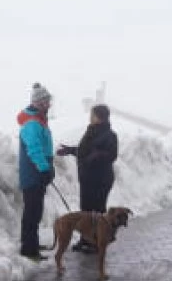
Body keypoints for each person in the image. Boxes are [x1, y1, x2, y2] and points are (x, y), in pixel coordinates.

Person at [57, 104, 119, 254]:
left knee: (96, 212)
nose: (90, 117)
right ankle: (86, 239)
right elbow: (84, 151)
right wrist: (70, 150)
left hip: (100, 180)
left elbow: (112, 155)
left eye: (92, 114)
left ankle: (97, 241)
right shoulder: (91, 131)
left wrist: (97, 155)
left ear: (99, 117)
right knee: (85, 211)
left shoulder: (110, 135)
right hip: (87, 180)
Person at [18, 83, 56, 261]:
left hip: (37, 174)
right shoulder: (32, 124)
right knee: (32, 212)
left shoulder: (39, 120)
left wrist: (48, 168)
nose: (49, 105)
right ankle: (28, 249)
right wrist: (44, 169)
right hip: (33, 175)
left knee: (36, 210)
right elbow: (34, 149)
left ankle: (32, 243)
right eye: (46, 101)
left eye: (49, 101)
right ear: (38, 103)